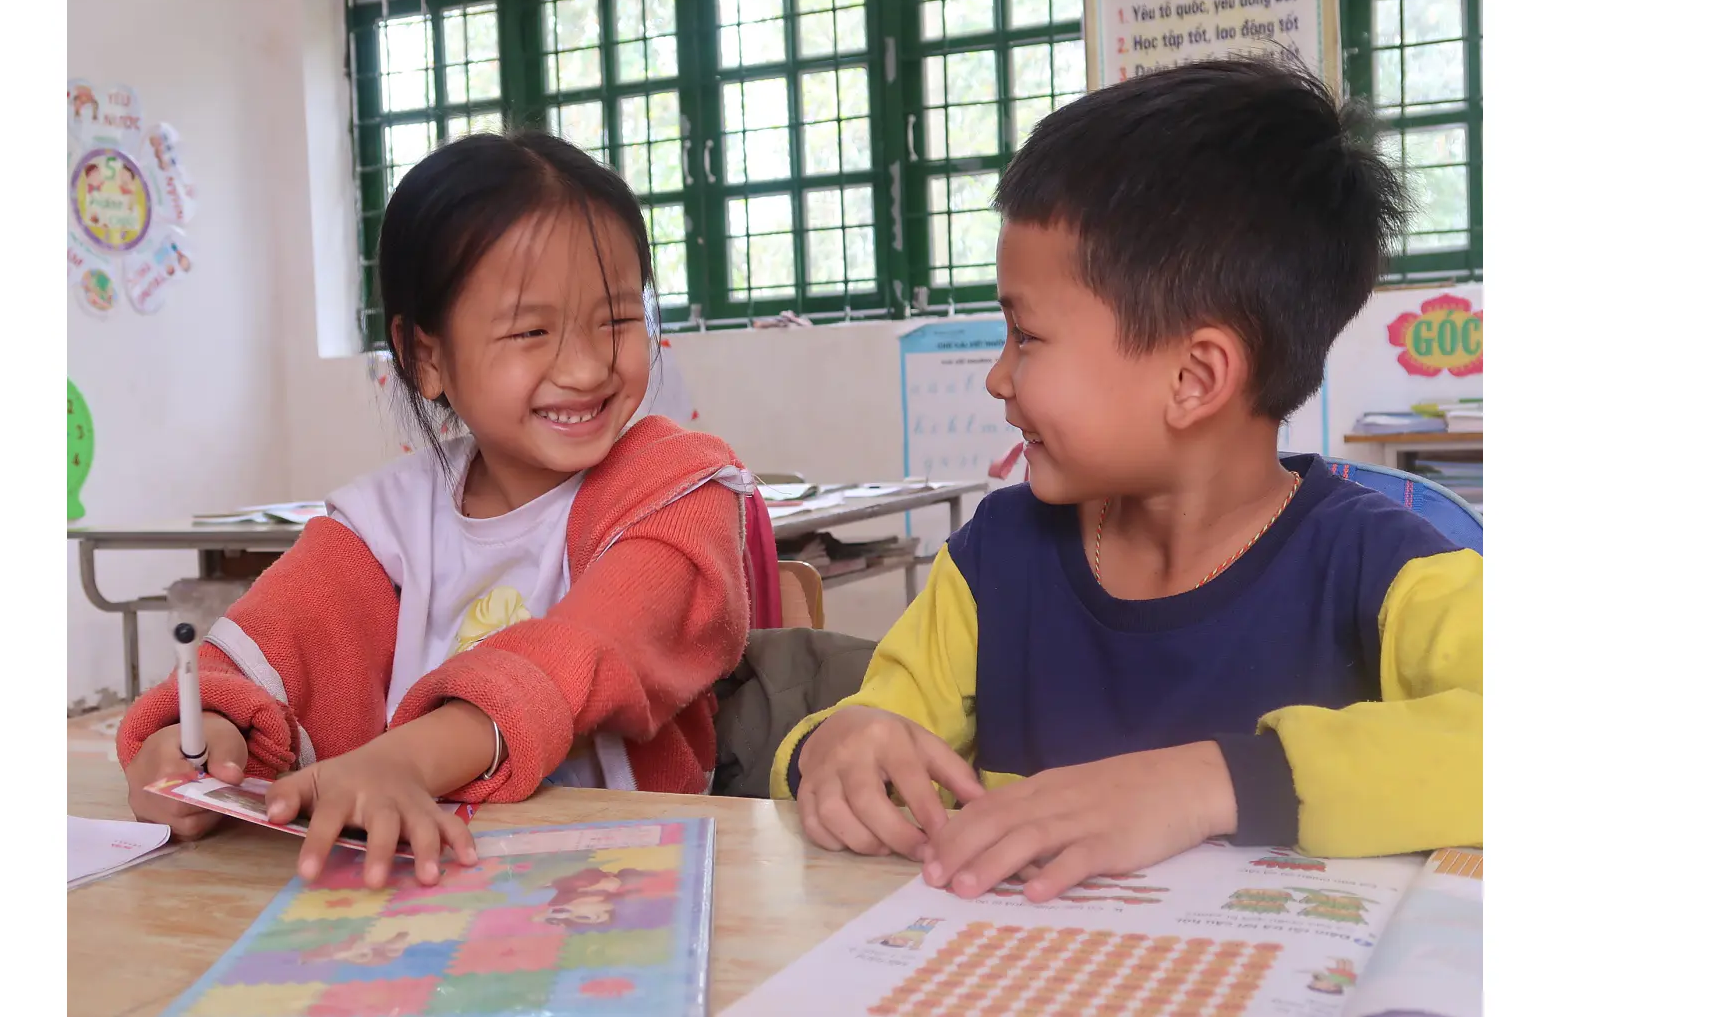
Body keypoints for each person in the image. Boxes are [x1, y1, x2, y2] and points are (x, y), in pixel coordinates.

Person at [772, 56, 1481, 903]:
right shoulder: (993, 564)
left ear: (1193, 379)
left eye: (1025, 337)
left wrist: (1209, 785)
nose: (999, 377)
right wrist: (832, 746)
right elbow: (882, 736)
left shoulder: (1386, 571)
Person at [118, 130, 754, 890]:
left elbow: (590, 650)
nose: (586, 367)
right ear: (425, 356)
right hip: (422, 895)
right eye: (531, 331)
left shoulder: (677, 486)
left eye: (616, 321)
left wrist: (407, 757)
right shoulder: (384, 523)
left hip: (636, 887)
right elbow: (251, 661)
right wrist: (200, 741)